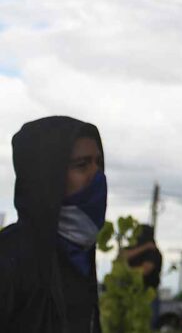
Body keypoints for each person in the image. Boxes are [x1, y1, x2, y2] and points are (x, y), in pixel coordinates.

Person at [0, 116, 106, 332]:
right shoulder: (8, 259)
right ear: (47, 176)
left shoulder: (80, 253)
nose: (98, 176)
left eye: (99, 163)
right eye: (82, 165)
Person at [123, 224, 164, 320]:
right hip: (129, 294)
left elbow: (145, 271)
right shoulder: (133, 248)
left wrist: (126, 271)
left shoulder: (153, 253)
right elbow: (122, 257)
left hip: (147, 295)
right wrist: (144, 247)